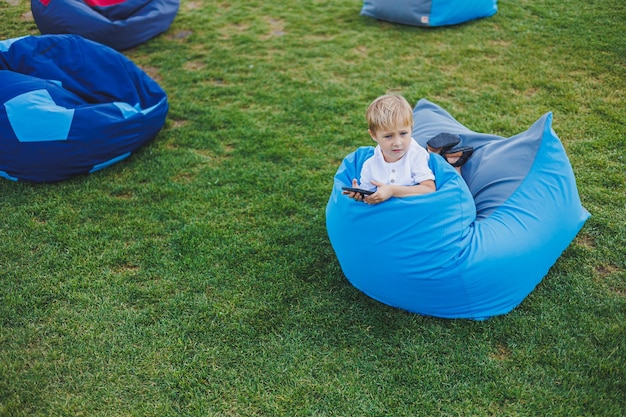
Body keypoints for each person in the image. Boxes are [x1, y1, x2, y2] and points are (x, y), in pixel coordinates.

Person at [343, 93, 436, 205]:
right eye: (388, 136)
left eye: (403, 133)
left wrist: (393, 191)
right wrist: (361, 196)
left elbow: (429, 189)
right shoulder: (370, 165)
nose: (397, 143)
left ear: (411, 128)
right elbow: (370, 196)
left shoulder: (416, 155)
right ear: (373, 135)